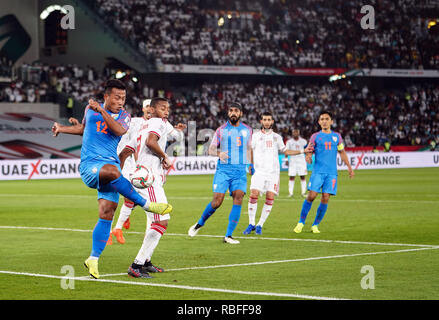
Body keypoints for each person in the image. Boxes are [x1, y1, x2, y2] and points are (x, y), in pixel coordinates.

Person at [51, 80, 172, 279]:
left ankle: (93, 259)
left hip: (110, 166)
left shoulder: (124, 116)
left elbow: (118, 130)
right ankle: (146, 205)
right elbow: (84, 129)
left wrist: (101, 110)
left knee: (107, 213)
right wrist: (62, 128)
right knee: (116, 173)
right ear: (106, 96)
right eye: (117, 97)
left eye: (123, 98)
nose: (120, 101)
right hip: (92, 165)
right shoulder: (90, 111)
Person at [109, 99, 186, 244]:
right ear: (147, 108)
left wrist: (179, 132)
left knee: (138, 205)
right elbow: (143, 142)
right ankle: (138, 254)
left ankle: (119, 229)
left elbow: (174, 135)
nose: (147, 110)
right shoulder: (135, 122)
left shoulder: (160, 122)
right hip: (141, 169)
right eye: (145, 107)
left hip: (139, 167)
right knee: (153, 215)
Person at [119, 97, 175, 278]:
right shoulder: (159, 123)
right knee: (162, 220)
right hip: (148, 178)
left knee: (154, 220)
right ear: (152, 109)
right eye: (162, 108)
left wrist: (120, 174)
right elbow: (152, 142)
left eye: (168, 108)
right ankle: (136, 265)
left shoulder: (142, 126)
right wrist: (165, 157)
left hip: (144, 174)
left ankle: (146, 262)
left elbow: (126, 150)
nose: (166, 111)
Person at [188, 102, 253, 244]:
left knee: (239, 197)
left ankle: (228, 235)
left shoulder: (247, 130)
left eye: (236, 110)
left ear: (241, 113)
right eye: (231, 110)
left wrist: (251, 164)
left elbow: (249, 148)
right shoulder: (221, 130)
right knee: (217, 202)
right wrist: (219, 153)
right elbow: (210, 150)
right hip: (223, 171)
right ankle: (200, 223)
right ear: (228, 113)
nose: (233, 113)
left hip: (240, 171)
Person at [243, 112, 311, 235]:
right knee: (254, 194)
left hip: (273, 173)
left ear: (272, 121)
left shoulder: (277, 137)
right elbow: (250, 150)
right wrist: (250, 164)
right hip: (259, 171)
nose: (267, 122)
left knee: (270, 197)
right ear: (261, 121)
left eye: (269, 119)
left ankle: (260, 225)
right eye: (265, 119)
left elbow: (286, 151)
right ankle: (251, 223)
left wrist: (302, 151)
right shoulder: (255, 136)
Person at [293, 110, 354, 234]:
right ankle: (301, 222)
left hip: (331, 173)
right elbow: (309, 150)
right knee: (312, 196)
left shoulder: (337, 137)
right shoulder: (315, 136)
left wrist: (349, 167)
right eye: (322, 119)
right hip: (318, 171)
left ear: (331, 121)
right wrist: (308, 156)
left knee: (325, 198)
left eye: (327, 119)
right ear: (319, 122)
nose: (324, 121)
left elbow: (342, 152)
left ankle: (315, 225)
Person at [285, 129, 309, 198]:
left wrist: (308, 157)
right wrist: (286, 159)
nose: (295, 133)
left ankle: (303, 193)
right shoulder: (289, 142)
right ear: (292, 133)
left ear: (299, 133)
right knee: (291, 177)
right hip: (293, 162)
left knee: (303, 176)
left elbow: (307, 150)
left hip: (301, 162)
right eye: (294, 132)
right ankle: (290, 193)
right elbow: (286, 151)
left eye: (296, 132)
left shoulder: (303, 141)